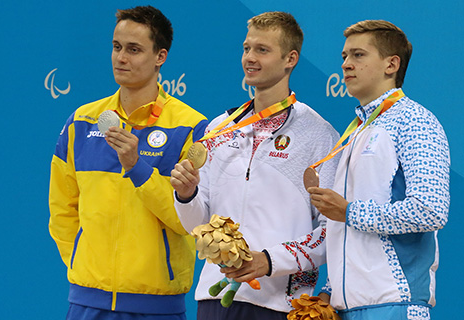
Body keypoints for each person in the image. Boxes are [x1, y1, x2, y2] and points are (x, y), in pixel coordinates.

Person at [170, 11, 339, 320]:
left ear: (291, 59)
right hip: (214, 297)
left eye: (262, 50)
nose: (250, 57)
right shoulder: (220, 128)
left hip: (280, 304)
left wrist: (270, 260)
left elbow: (332, 232)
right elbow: (195, 225)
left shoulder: (318, 135)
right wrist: (186, 195)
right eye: (247, 48)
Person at [48, 5, 208, 320]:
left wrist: (137, 167)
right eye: (117, 47)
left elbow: (187, 221)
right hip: (86, 303)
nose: (121, 58)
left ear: (160, 56)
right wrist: (83, 262)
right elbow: (62, 210)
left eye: (134, 50)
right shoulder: (82, 121)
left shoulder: (191, 127)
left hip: (156, 308)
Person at [308, 20, 450, 320]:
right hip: (346, 307)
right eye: (344, 57)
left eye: (358, 55)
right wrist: (330, 290)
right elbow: (345, 231)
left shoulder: (415, 120)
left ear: (391, 64)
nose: (346, 64)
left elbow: (431, 210)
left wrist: (349, 211)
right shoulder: (358, 130)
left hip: (395, 304)